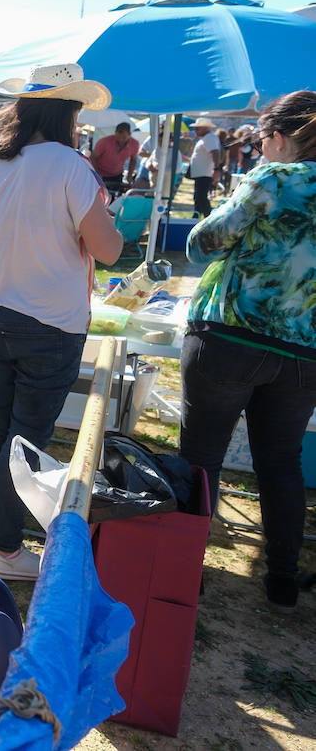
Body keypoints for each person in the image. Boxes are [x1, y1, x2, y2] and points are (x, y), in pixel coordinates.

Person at [0, 63, 124, 581]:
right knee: (24, 438)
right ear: (68, 114)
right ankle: (6, 550)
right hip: (47, 322)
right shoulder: (70, 167)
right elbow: (110, 250)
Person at [178, 91, 316, 611]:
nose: (260, 148)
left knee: (201, 457)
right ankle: (281, 580)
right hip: (305, 349)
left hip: (232, 335)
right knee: (282, 462)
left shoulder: (273, 180)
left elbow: (203, 244)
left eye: (262, 139)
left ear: (279, 137)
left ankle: (186, 570)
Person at [89, 121, 141, 196]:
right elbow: (93, 158)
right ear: (115, 133)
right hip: (100, 174)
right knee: (98, 196)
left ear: (129, 135)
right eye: (118, 137)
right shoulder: (104, 142)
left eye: (124, 137)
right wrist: (97, 174)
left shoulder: (134, 144)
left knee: (114, 197)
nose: (120, 140)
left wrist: (129, 177)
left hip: (117, 174)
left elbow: (133, 160)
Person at [188, 117, 221, 217]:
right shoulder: (207, 138)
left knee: (201, 197)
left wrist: (216, 169)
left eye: (198, 128)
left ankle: (209, 219)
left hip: (204, 173)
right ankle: (195, 218)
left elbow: (215, 152)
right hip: (202, 173)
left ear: (206, 128)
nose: (195, 131)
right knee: (199, 198)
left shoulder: (209, 138)